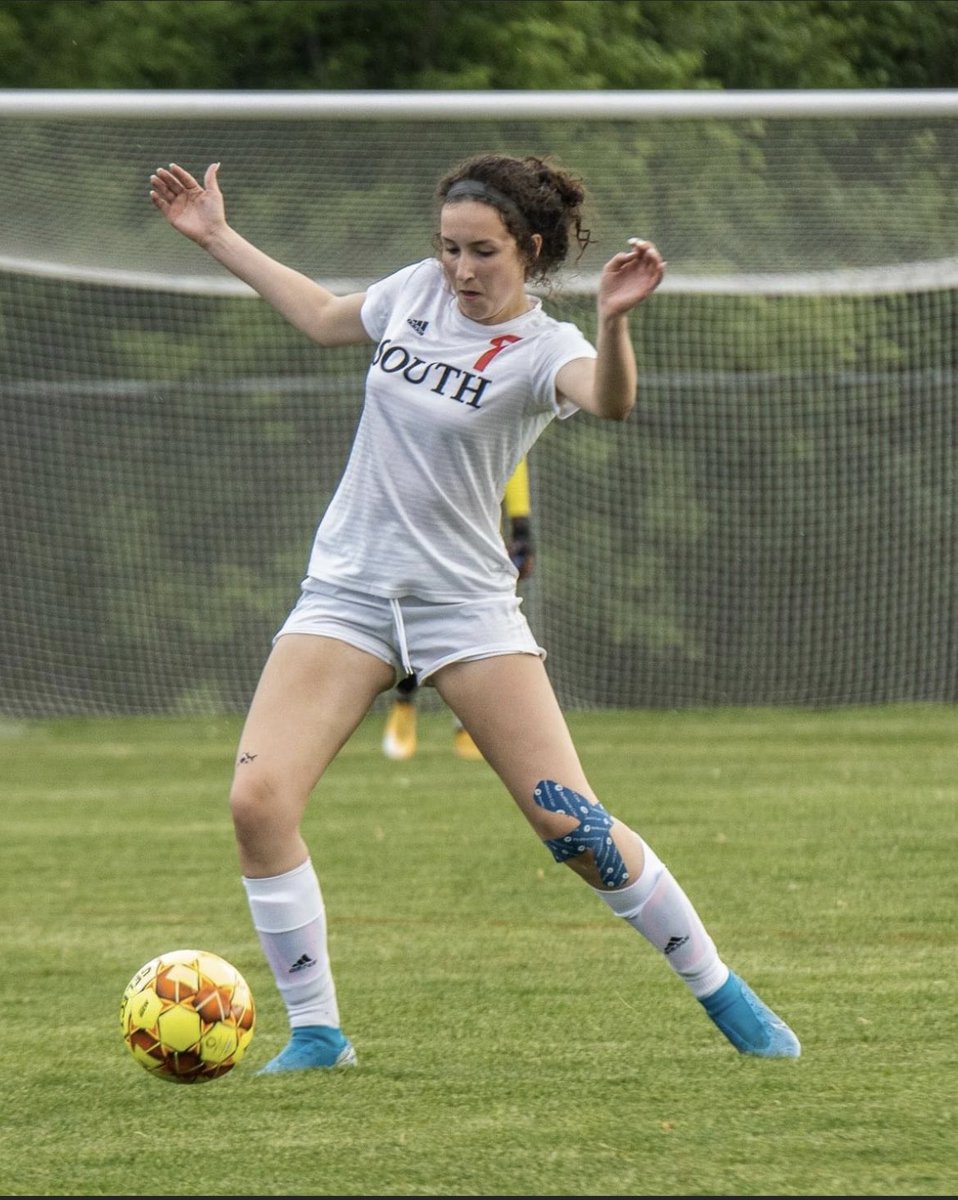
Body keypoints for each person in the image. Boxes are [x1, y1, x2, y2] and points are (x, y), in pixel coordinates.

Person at [149, 151, 801, 1075]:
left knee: (574, 829)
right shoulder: (415, 292)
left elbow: (611, 402)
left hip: (466, 608)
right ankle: (319, 1035)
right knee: (258, 802)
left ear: (528, 251)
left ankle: (724, 993)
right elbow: (328, 318)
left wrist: (615, 325)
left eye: (482, 252)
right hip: (348, 593)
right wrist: (218, 238)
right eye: (450, 248)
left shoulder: (550, 349)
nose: (460, 270)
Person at [382, 456, 536, 762]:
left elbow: (515, 453)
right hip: (418, 532)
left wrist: (521, 525)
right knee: (411, 618)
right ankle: (404, 704)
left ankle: (467, 723)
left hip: (478, 541)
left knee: (477, 629)